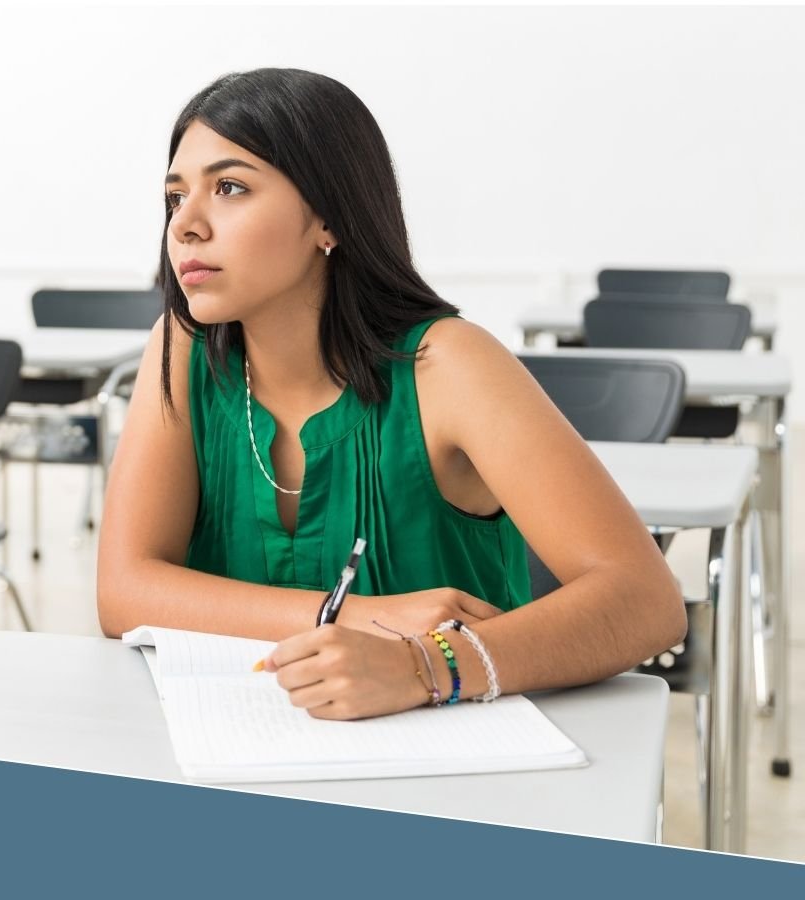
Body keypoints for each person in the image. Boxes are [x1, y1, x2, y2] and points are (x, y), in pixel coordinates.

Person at [97, 68, 685, 719]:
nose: (186, 226)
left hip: (455, 765)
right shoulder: (182, 348)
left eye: (230, 188)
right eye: (176, 197)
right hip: (236, 748)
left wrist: (422, 666)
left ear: (329, 218)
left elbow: (645, 603)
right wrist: (361, 617)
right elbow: (124, 592)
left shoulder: (449, 364)